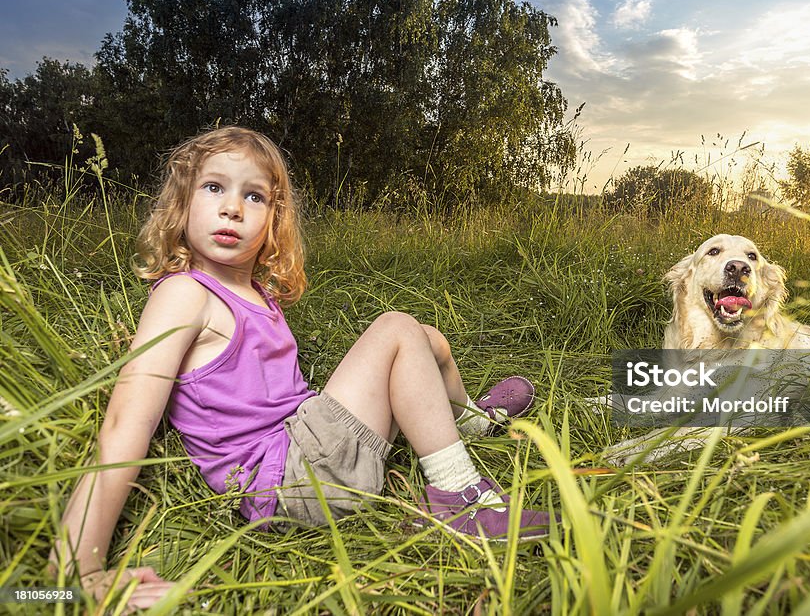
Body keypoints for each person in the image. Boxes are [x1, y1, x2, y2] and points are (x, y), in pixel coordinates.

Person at [51, 126, 550, 609]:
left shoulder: (255, 294)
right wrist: (77, 568)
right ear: (181, 205)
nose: (231, 207)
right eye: (213, 187)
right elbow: (124, 422)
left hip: (302, 454)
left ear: (274, 218)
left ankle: (468, 423)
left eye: (254, 197)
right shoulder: (185, 294)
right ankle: (459, 497)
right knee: (397, 329)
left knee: (427, 340)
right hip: (283, 482)